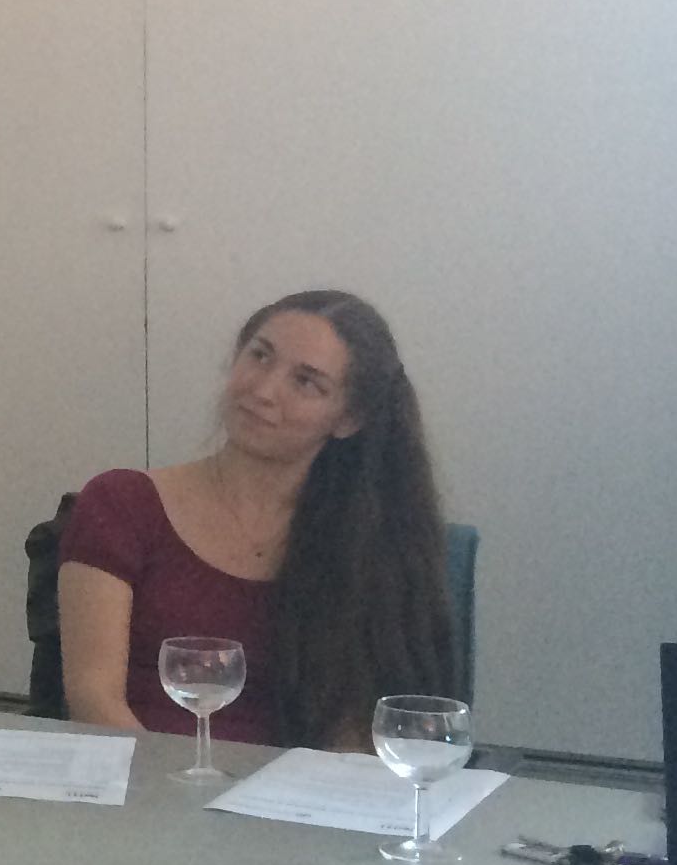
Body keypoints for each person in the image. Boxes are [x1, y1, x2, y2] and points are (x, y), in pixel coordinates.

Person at [58, 288, 455, 750]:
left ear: (348, 419)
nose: (264, 390)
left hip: (291, 803)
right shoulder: (119, 504)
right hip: (137, 785)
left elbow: (360, 727)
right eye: (260, 356)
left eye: (306, 382)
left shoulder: (368, 541)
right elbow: (92, 699)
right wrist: (165, 800)